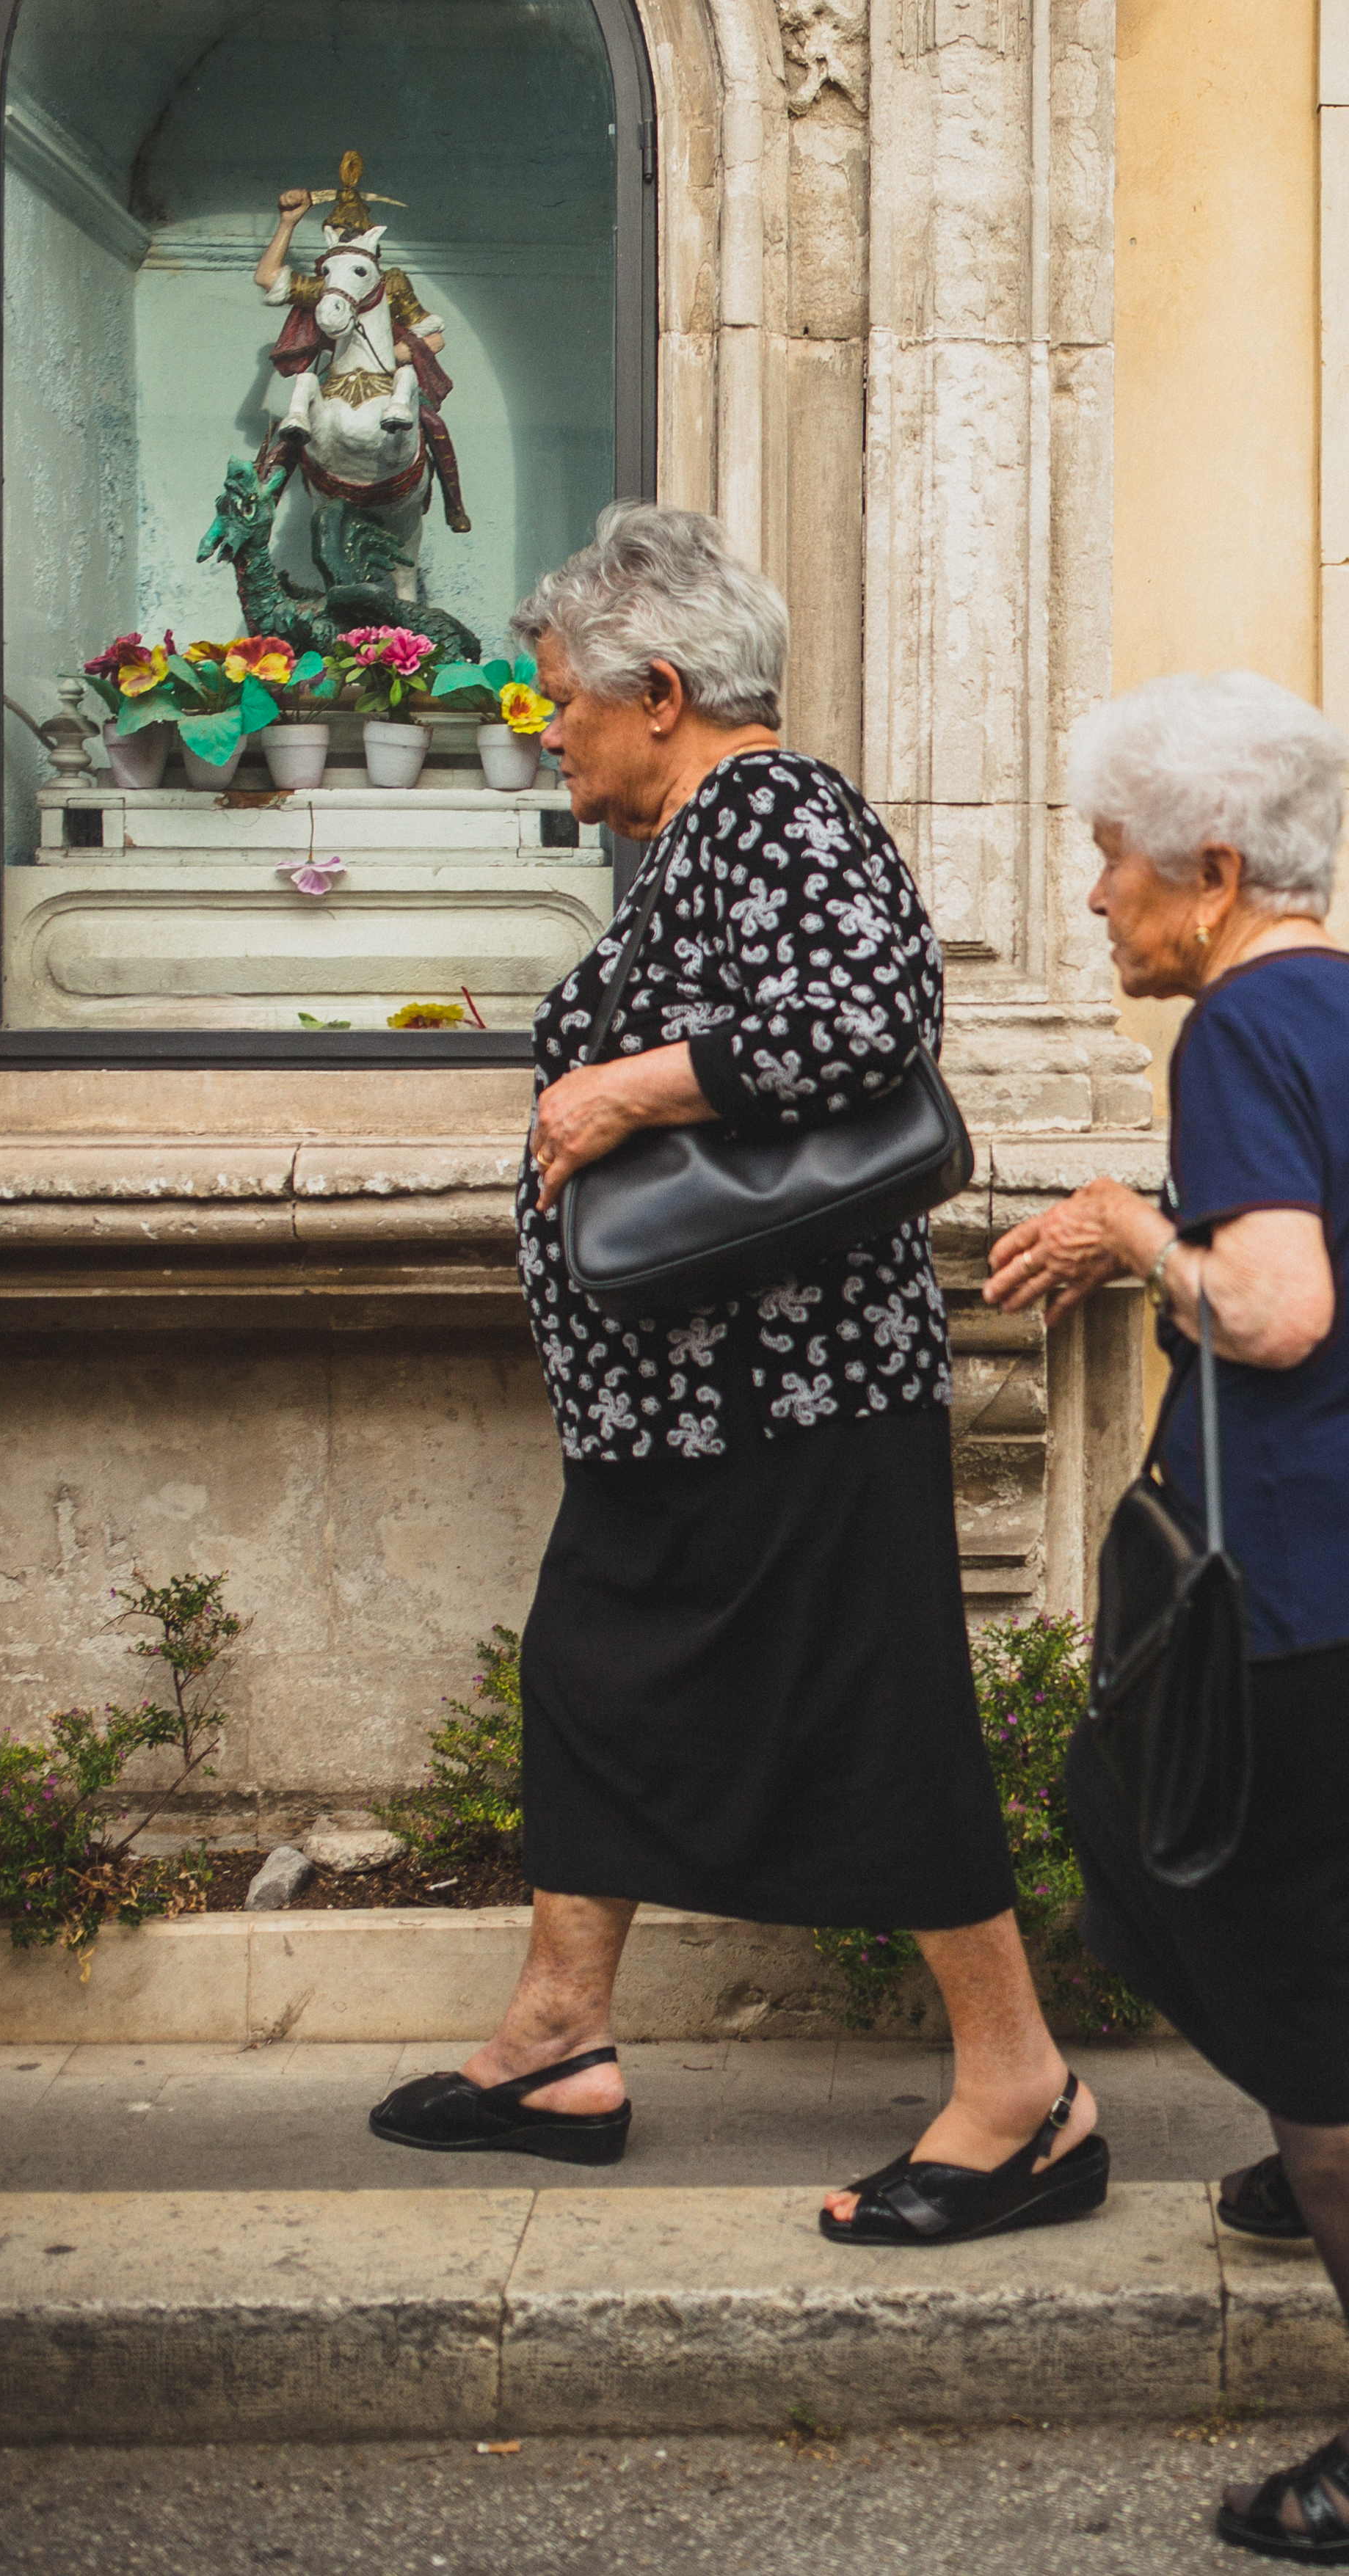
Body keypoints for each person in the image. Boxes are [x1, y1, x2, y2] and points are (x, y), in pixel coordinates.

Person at [366, 502, 1106, 2250]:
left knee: (878, 1713)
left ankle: (1024, 2092)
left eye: (562, 698)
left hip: (791, 1393)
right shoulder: (694, 843)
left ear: (662, 690)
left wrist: (625, 1090)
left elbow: (869, 1014)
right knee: (594, 1676)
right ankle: (559, 2037)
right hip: (692, 1404)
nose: (547, 727)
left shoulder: (774, 806)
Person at [987, 671, 1349, 2569]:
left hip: (1325, 1562)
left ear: (1208, 870)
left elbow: (1278, 1307)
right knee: (1138, 1826)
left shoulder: (1237, 1030)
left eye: (1110, 857)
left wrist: (1134, 1234)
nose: (1091, 895)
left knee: (1281, 1964)